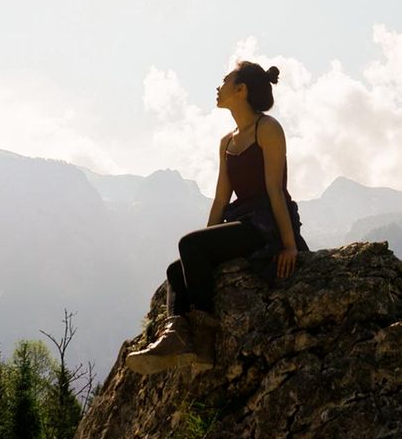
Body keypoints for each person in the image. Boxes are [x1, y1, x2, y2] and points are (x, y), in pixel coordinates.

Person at [125, 60, 310, 375]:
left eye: (225, 80)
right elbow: (222, 199)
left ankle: (200, 338)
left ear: (241, 90)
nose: (218, 86)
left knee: (189, 246)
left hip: (266, 226)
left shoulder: (268, 129)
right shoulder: (227, 141)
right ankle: (179, 337)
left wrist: (290, 244)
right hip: (242, 221)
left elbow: (275, 191)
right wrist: (203, 248)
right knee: (177, 268)